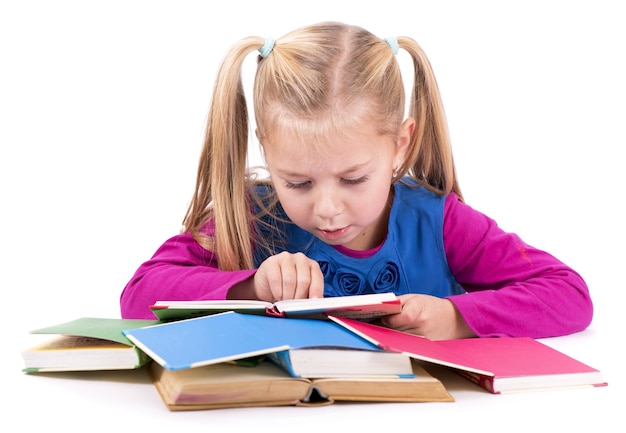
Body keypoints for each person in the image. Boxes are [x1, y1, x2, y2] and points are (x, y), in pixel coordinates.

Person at [120, 21, 593, 340]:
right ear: (267, 150)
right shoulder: (253, 215)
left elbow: (568, 293)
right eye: (298, 183)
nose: (327, 208)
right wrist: (252, 289)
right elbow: (139, 295)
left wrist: (455, 318)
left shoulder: (439, 220)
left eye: (353, 179)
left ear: (400, 145)